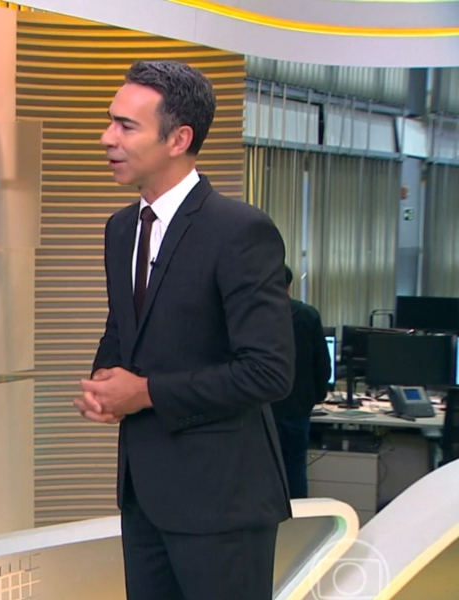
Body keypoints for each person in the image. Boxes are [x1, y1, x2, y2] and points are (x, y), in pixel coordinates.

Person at [75, 61, 295, 600]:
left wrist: (145, 393)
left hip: (222, 503)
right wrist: (105, 381)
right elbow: (127, 332)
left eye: (126, 126)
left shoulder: (239, 231)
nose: (108, 139)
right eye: (111, 123)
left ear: (179, 138)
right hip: (144, 495)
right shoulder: (121, 229)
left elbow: (268, 372)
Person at [271, 265, 331, 499]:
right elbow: (321, 363)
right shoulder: (308, 315)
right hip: (296, 406)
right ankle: (297, 522)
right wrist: (317, 396)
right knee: (295, 466)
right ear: (289, 286)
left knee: (260, 468)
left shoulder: (254, 316)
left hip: (261, 406)